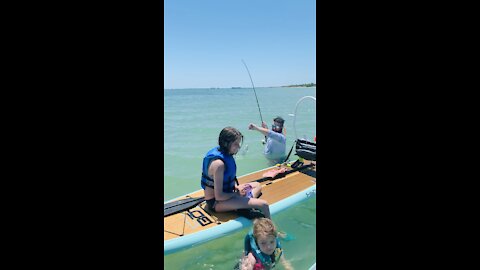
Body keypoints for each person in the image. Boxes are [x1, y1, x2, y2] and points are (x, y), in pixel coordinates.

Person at [201, 127, 271, 219]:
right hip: (216, 203)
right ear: (226, 144)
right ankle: (272, 231)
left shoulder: (225, 153)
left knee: (257, 185)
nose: (238, 146)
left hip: (229, 194)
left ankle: (241, 206)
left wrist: (236, 188)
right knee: (264, 205)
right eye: (235, 144)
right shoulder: (219, 164)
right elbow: (219, 197)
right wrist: (237, 194)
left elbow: (227, 180)